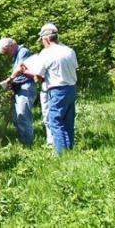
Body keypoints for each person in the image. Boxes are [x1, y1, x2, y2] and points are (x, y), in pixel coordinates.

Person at [14, 24, 77, 155]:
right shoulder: (69, 50)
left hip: (56, 90)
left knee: (55, 121)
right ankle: (69, 149)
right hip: (71, 88)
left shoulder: (46, 53)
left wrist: (31, 74)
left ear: (47, 39)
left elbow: (39, 77)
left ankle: (61, 153)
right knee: (68, 121)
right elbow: (74, 68)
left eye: (42, 40)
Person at [0, 37, 37, 146]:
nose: (7, 55)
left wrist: (10, 80)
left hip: (26, 87)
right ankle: (23, 141)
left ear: (11, 46)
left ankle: (28, 144)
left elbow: (21, 69)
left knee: (23, 115)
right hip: (20, 88)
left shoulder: (23, 52)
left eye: (6, 52)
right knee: (17, 118)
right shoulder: (17, 55)